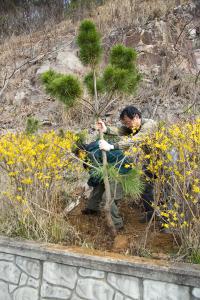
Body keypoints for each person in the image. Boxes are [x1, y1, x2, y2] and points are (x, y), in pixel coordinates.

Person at [82, 105, 157, 227]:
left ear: (136, 117)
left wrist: (112, 146)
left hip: (166, 160)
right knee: (146, 189)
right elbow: (120, 130)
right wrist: (106, 130)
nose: (127, 126)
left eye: (128, 122)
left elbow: (136, 139)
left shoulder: (149, 125)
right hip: (150, 160)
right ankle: (151, 215)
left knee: (166, 191)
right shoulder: (133, 127)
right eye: (125, 123)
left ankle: (167, 225)